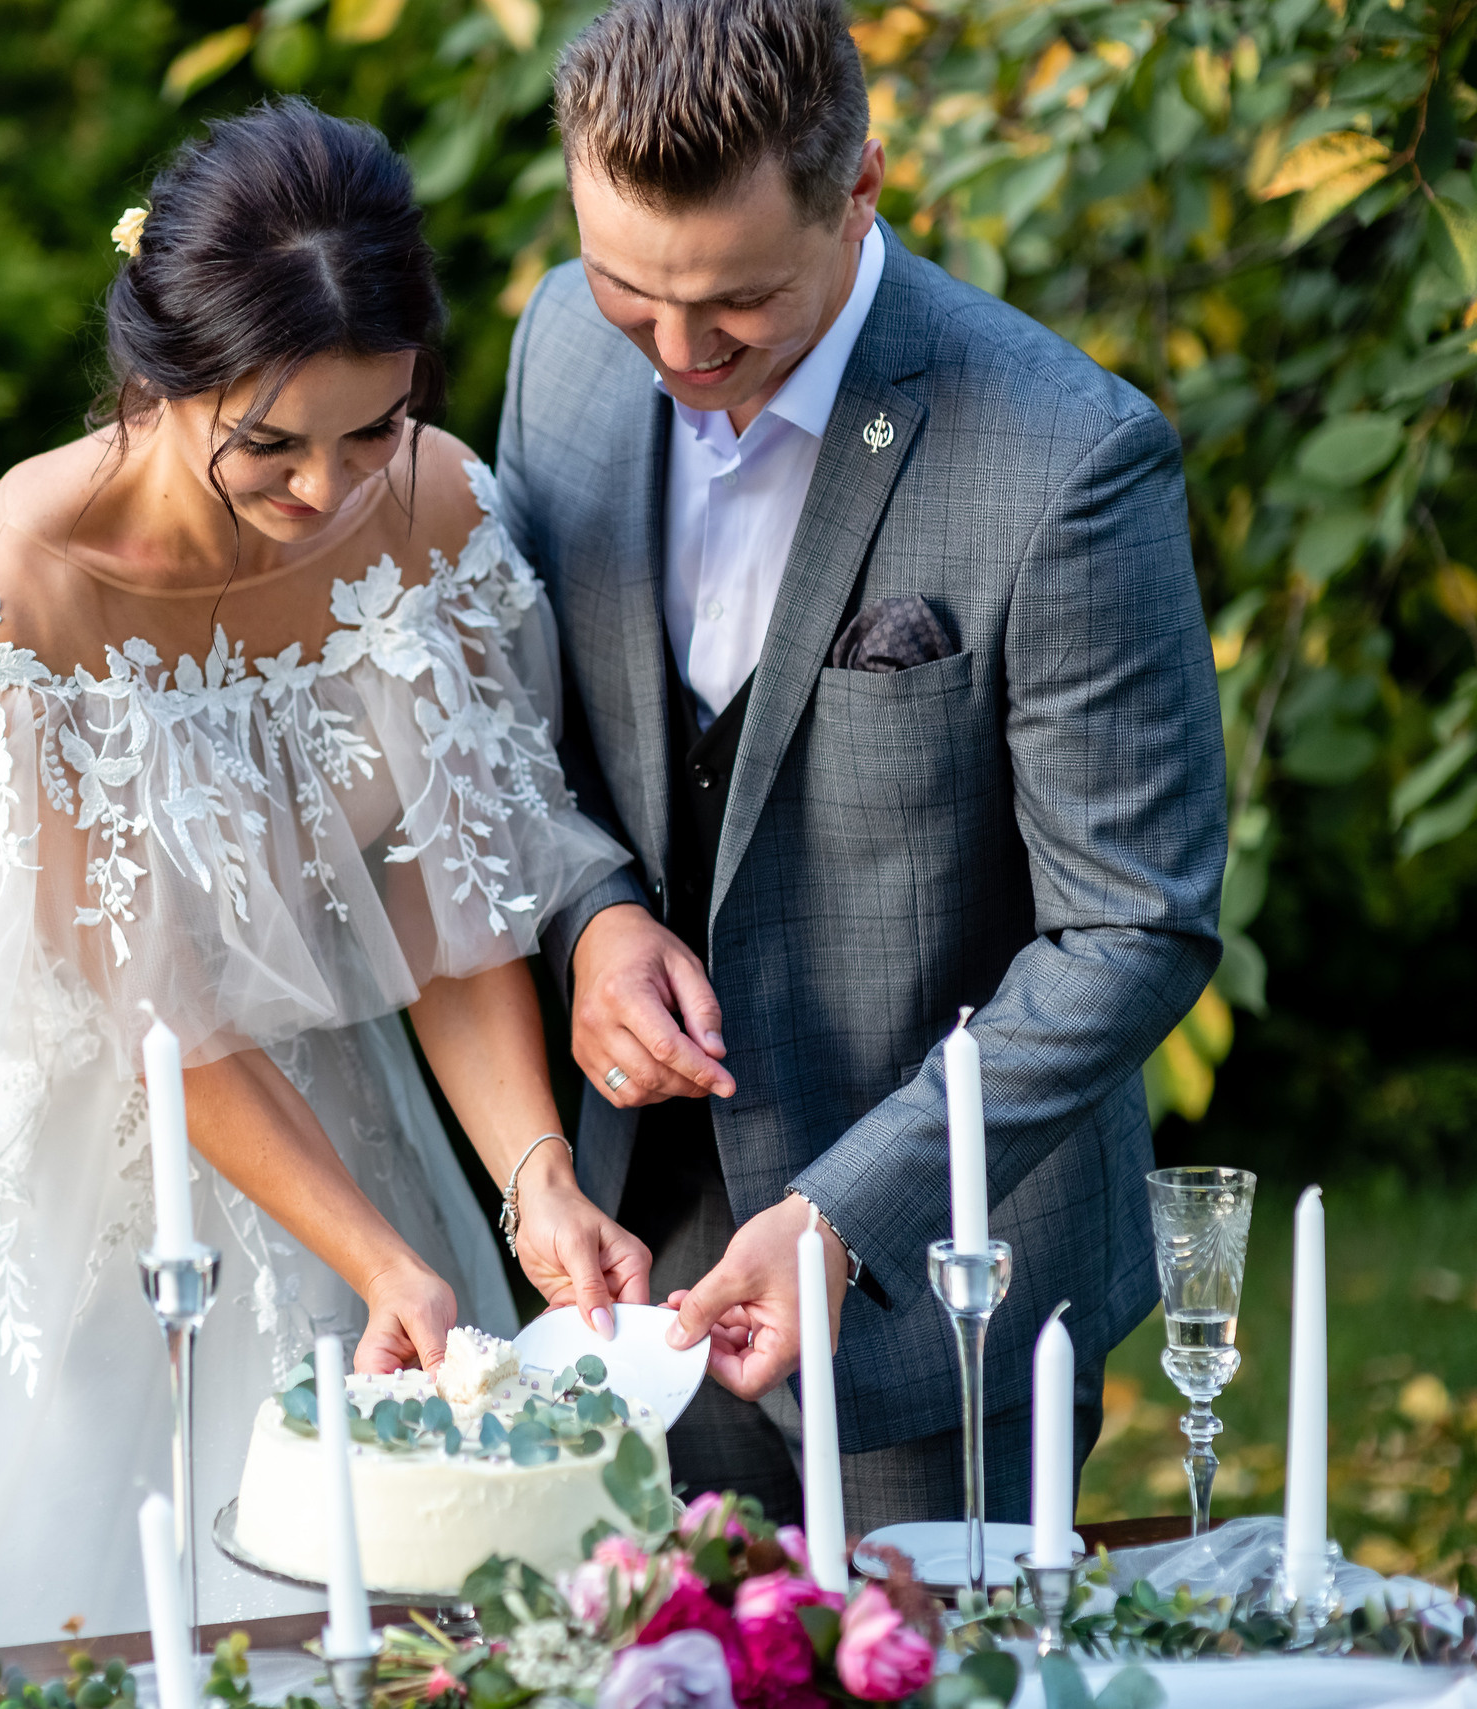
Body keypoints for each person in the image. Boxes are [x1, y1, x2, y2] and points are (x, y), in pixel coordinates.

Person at [0, 98, 646, 1678]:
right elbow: (153, 1013)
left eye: (371, 428)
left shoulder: (439, 510)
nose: (330, 490)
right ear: (159, 377)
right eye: (270, 442)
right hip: (61, 1187)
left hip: (345, 1129)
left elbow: (454, 908)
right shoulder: (28, 583)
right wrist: (375, 1254)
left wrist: (531, 1178)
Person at [498, 0, 1227, 1529]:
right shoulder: (562, 352)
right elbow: (519, 734)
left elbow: (1132, 926)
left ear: (862, 191)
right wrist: (592, 912)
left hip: (937, 1303)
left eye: (740, 306)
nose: (684, 356)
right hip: (618, 1272)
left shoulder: (1068, 457)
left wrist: (849, 1215)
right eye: (635, 295)